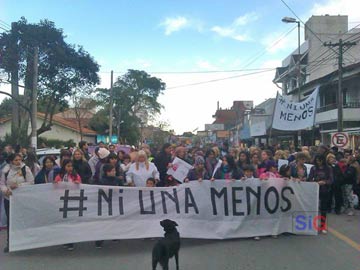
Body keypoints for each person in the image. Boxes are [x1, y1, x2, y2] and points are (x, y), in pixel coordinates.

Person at [0, 153, 34, 253]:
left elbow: (31, 182)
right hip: (9, 199)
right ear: (11, 161)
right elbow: (2, 183)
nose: (18, 162)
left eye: (20, 159)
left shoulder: (25, 169)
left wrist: (19, 185)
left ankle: (25, 242)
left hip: (22, 199)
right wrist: (6, 190)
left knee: (23, 220)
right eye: (16, 160)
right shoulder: (5, 170)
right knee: (10, 221)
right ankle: (10, 243)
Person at [308, 155, 333, 234]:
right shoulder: (313, 168)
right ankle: (311, 225)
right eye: (317, 160)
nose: (318, 162)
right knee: (313, 208)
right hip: (314, 190)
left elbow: (331, 179)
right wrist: (314, 182)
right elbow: (310, 178)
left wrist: (325, 182)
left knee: (323, 209)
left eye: (320, 160)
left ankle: (322, 226)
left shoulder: (328, 168)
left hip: (325, 190)